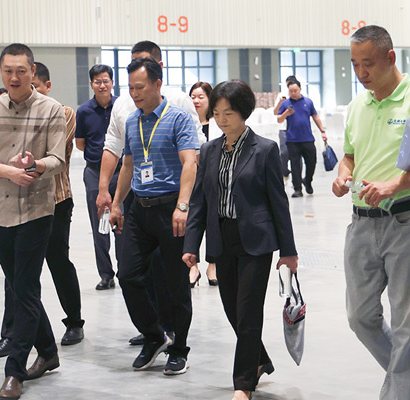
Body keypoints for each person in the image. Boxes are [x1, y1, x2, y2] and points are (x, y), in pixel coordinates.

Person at [331, 25, 410, 400]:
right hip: (361, 224)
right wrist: (343, 175)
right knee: (360, 317)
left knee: (406, 323)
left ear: (390, 57)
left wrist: (394, 185)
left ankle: (400, 392)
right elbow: (349, 156)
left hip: (406, 222)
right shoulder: (357, 106)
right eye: (354, 64)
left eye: (367, 63)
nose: (360, 72)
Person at [183, 80, 298, 400]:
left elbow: (278, 202)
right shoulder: (209, 150)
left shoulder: (265, 149)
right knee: (233, 311)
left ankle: (243, 384)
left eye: (228, 113)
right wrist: (191, 246)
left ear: (243, 113)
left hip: (255, 241)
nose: (221, 119)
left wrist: (288, 251)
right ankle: (259, 360)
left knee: (248, 312)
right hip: (222, 239)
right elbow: (200, 201)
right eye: (217, 113)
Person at [0, 43, 66, 400]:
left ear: (32, 71)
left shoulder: (51, 110)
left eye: (21, 71)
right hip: (0, 212)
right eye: (8, 71)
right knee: (20, 287)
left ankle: (14, 372)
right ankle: (49, 352)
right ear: (1, 71)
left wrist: (35, 165)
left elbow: (58, 159)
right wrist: (7, 170)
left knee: (23, 288)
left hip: (37, 211)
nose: (14, 77)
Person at [96, 40, 203, 346]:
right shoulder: (132, 120)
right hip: (139, 208)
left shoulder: (179, 115)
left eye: (140, 87)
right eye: (130, 88)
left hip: (171, 208)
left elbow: (190, 162)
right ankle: (154, 335)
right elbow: (128, 164)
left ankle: (179, 348)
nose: (135, 93)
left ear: (158, 83)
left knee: (175, 282)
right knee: (128, 275)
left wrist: (183, 206)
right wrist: (117, 203)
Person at [0, 62, 84, 360]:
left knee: (58, 261)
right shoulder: (6, 113)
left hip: (56, 200)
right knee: (16, 273)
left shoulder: (63, 113)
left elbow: (50, 154)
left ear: (45, 87)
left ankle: (74, 322)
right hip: (19, 202)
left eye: (35, 87)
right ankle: (11, 333)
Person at [75, 64, 121, 290]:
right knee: (100, 225)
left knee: (123, 222)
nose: (102, 85)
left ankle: (127, 270)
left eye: (106, 81)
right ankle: (106, 274)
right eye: (97, 82)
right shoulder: (84, 111)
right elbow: (80, 144)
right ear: (91, 84)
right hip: (94, 172)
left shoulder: (122, 106)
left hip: (121, 172)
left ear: (112, 82)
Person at [188, 81, 218, 287]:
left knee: (213, 222)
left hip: (214, 179)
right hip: (191, 179)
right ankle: (193, 266)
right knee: (192, 221)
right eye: (193, 96)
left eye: (201, 97)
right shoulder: (186, 122)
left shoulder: (218, 123)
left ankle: (213, 264)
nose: (196, 101)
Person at [277, 79, 327, 197]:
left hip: (307, 138)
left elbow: (315, 116)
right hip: (292, 140)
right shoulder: (285, 103)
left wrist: (322, 131)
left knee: (311, 162)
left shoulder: (308, 102)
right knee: (295, 165)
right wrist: (286, 113)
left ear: (300, 89)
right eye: (291, 91)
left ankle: (307, 181)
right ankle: (297, 189)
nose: (293, 93)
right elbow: (279, 119)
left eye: (295, 90)